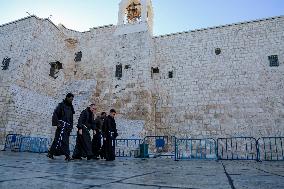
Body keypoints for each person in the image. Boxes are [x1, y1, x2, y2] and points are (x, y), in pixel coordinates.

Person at [47, 93, 75, 161]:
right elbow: (55, 114)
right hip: (61, 126)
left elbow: (71, 118)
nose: (71, 100)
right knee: (59, 140)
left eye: (72, 99)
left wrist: (71, 126)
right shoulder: (61, 105)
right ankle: (66, 155)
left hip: (67, 127)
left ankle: (51, 153)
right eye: (70, 99)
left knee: (64, 140)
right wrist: (58, 123)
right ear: (67, 98)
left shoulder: (71, 107)